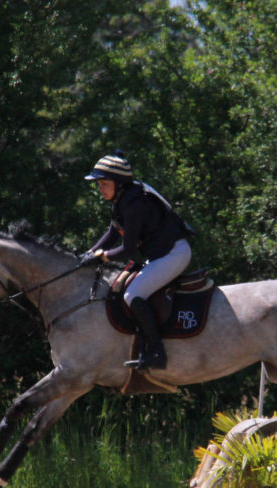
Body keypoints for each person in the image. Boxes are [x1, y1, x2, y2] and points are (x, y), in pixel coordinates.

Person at [82, 151, 193, 370]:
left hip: (174, 254)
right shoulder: (124, 199)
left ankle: (157, 352)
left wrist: (103, 257)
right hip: (163, 254)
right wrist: (89, 253)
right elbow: (113, 233)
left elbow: (128, 249)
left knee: (133, 294)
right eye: (99, 184)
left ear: (119, 183)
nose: (100, 188)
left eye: (104, 183)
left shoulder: (134, 205)